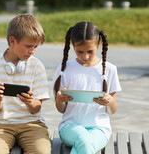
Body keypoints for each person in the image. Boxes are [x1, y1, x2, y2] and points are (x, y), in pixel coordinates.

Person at [0, 14, 51, 154]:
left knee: (41, 151)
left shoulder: (36, 66)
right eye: (28, 46)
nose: (32, 51)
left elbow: (36, 108)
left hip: (32, 124)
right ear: (12, 41)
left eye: (35, 47)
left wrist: (30, 102)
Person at [52, 21, 122, 154]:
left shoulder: (110, 69)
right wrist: (60, 100)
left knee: (84, 144)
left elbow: (112, 110)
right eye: (80, 52)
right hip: (70, 127)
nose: (85, 56)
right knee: (84, 140)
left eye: (90, 51)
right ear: (73, 47)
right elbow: (61, 110)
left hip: (99, 128)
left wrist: (109, 101)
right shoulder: (65, 69)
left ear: (98, 45)